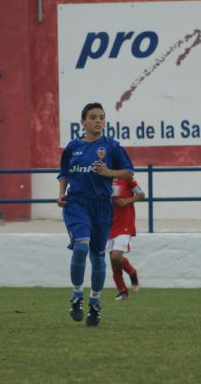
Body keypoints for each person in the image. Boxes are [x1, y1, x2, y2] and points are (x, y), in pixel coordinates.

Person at [57, 102, 134, 327]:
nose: (98, 121)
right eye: (92, 117)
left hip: (102, 206)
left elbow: (129, 172)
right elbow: (64, 173)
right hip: (77, 203)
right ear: (83, 122)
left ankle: (95, 302)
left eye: (101, 117)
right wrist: (61, 194)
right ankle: (77, 296)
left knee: (99, 256)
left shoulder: (111, 146)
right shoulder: (73, 147)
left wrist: (110, 172)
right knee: (81, 246)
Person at [108, 176, 144, 300]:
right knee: (114, 263)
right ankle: (122, 292)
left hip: (125, 223)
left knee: (116, 257)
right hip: (108, 224)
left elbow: (141, 195)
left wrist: (127, 200)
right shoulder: (102, 177)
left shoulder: (126, 177)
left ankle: (132, 272)